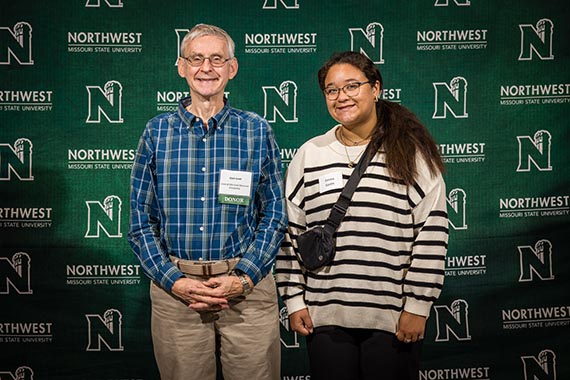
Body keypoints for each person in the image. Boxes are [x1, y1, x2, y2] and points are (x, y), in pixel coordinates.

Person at [275, 51, 448, 380]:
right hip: (325, 319)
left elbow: (432, 233)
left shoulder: (411, 152)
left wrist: (417, 306)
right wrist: (294, 300)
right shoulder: (310, 154)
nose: (342, 97)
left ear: (376, 88)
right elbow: (290, 232)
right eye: (331, 90)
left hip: (393, 320)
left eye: (352, 86)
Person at [128, 23, 287, 380]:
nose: (206, 68)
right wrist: (175, 281)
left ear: (232, 68)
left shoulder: (257, 130)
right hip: (177, 294)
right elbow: (140, 222)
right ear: (181, 66)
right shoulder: (156, 132)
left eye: (217, 59)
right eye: (196, 59)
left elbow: (275, 213)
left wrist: (244, 278)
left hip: (247, 291)